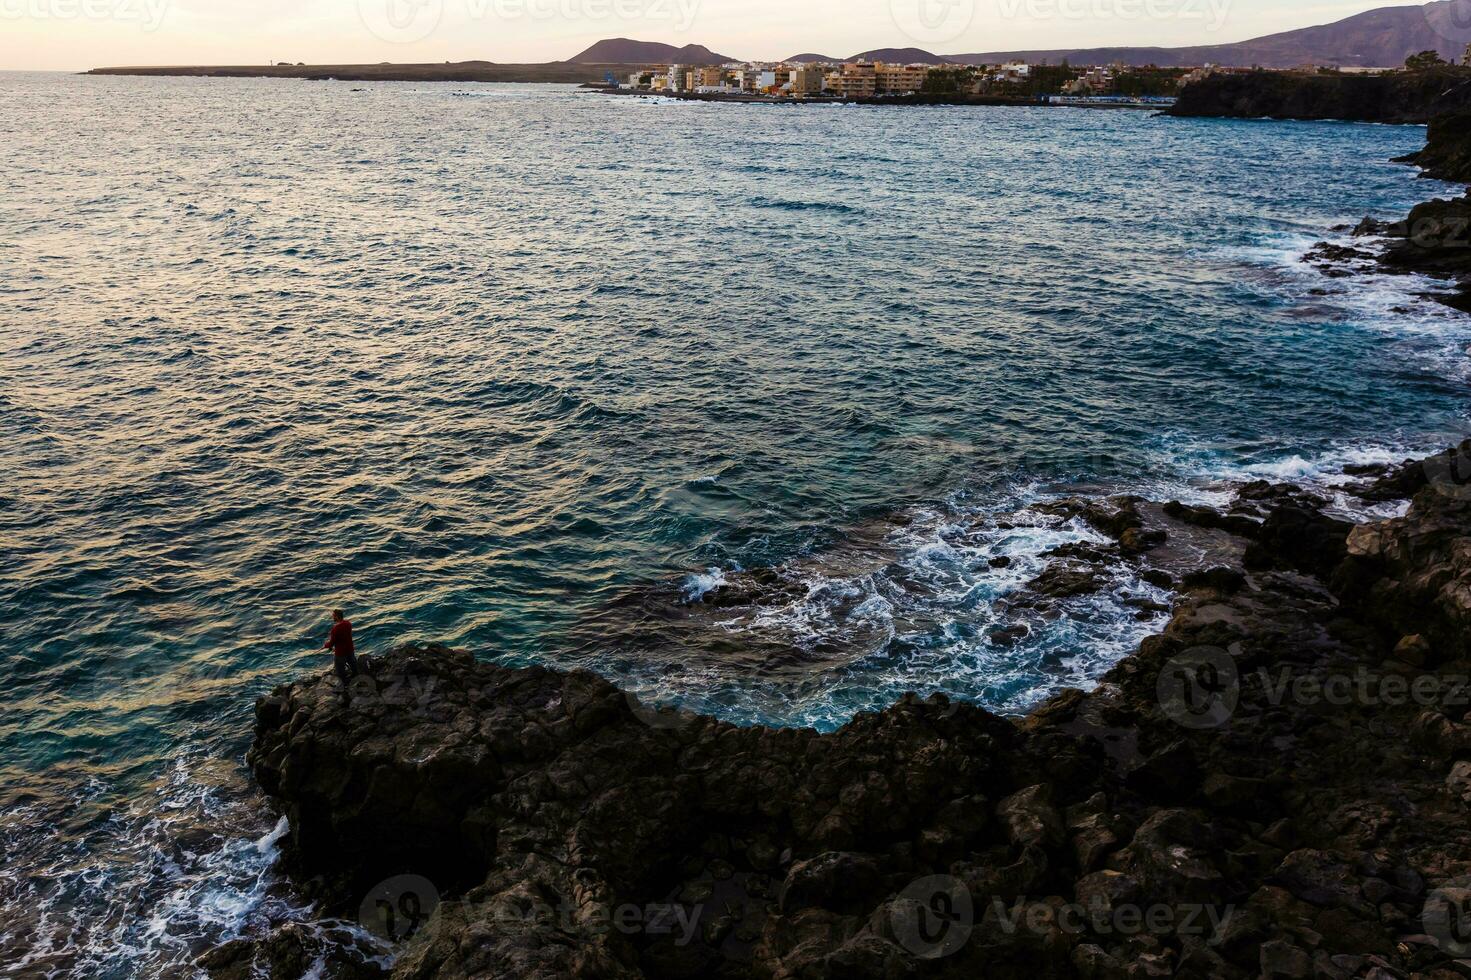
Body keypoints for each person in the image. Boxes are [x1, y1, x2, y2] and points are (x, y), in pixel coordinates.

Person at [323, 608, 359, 694]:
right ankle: (358, 680)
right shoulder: (348, 624)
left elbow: (332, 643)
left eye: (333, 616)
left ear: (337, 617)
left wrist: (326, 645)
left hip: (340, 653)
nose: (332, 617)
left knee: (340, 672)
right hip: (350, 650)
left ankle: (345, 687)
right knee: (353, 666)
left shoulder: (335, 629)